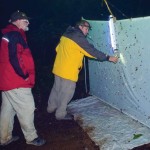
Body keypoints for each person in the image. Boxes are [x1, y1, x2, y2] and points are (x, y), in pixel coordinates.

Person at [47, 20, 118, 120]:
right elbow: (91, 52)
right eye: (86, 29)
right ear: (80, 27)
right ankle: (60, 114)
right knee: (66, 93)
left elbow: (57, 49)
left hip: (58, 68)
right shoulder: (78, 37)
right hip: (68, 71)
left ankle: (51, 107)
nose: (87, 32)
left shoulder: (66, 34)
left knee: (56, 89)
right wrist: (108, 57)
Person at [0, 10, 46, 146]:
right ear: (17, 21)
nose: (28, 23)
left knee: (8, 109)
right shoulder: (15, 34)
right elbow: (15, 57)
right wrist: (24, 75)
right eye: (25, 20)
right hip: (16, 80)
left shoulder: (7, 34)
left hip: (6, 79)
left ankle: (4, 138)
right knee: (27, 107)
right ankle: (31, 137)